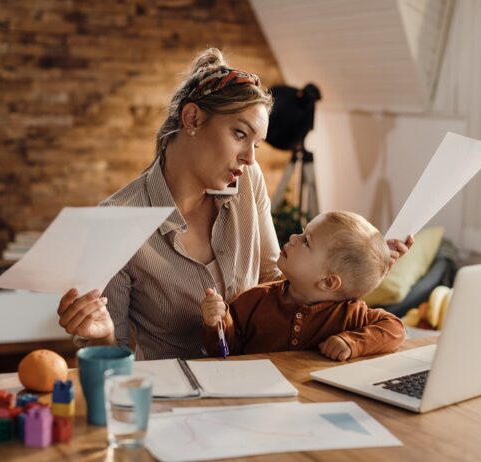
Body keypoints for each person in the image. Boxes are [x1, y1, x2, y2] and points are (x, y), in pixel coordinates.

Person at [57, 48, 413, 361]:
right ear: (192, 119)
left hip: (259, 384)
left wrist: (359, 269)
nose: (248, 158)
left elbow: (276, 278)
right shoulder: (115, 220)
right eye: (240, 134)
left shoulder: (247, 181)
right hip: (174, 397)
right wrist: (97, 333)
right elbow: (111, 351)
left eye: (256, 144)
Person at [201, 211, 406, 361]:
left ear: (328, 282)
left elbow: (395, 329)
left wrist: (351, 343)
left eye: (306, 241)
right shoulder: (254, 300)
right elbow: (224, 354)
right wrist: (218, 322)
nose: (293, 237)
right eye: (301, 233)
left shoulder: (350, 314)